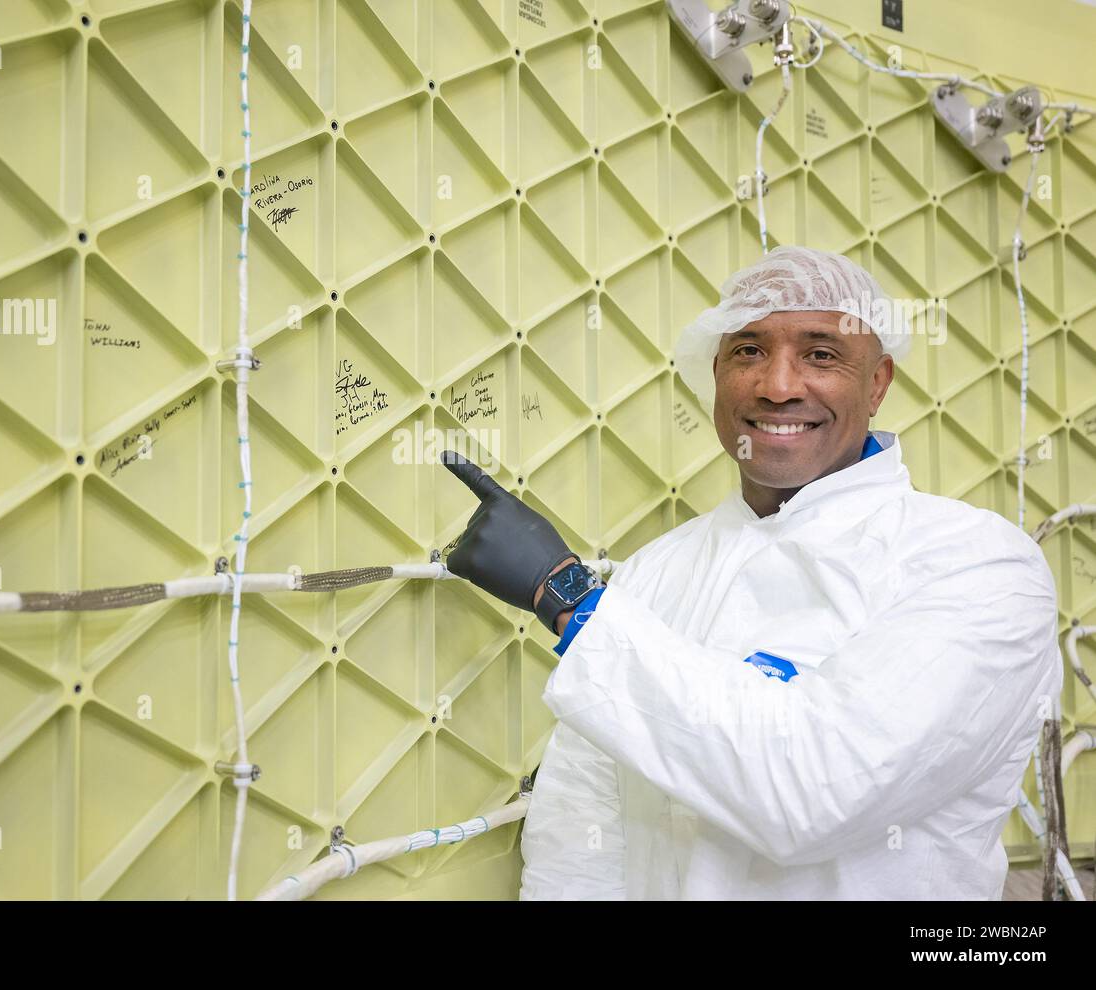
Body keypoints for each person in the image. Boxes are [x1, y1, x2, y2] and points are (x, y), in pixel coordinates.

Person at [439, 245, 1062, 899]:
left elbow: (815, 792)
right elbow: (582, 827)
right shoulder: (657, 572)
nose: (778, 385)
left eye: (821, 354)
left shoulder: (977, 564)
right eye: (749, 351)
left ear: (877, 383)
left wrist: (563, 593)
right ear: (716, 373)